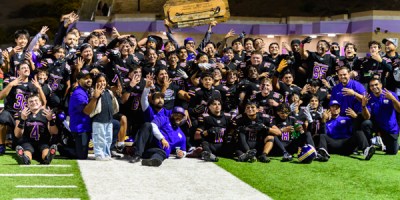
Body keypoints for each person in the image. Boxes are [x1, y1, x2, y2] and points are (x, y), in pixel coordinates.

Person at [14, 94, 58, 165]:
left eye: (36, 100)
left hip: (43, 142)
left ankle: (47, 157)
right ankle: (26, 158)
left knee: (45, 149)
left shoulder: (47, 113)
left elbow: (54, 132)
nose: (34, 102)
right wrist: (22, 120)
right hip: (27, 142)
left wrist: (51, 120)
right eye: (31, 101)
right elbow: (17, 134)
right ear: (27, 104)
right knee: (27, 150)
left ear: (40, 103)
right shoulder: (21, 114)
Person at [361, 78, 400, 154]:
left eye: (376, 84)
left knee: (392, 151)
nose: (374, 87)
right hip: (377, 127)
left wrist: (393, 99)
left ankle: (386, 143)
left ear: (381, 85)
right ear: (370, 88)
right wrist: (363, 106)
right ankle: (369, 145)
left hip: (390, 128)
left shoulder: (390, 94)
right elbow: (367, 117)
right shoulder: (369, 98)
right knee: (366, 123)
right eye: (372, 86)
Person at [89, 73, 119, 161]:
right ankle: (99, 154)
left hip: (108, 119)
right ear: (95, 83)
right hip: (99, 119)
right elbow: (92, 100)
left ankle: (106, 153)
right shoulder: (94, 91)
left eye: (104, 81)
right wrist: (96, 94)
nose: (102, 83)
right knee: (99, 137)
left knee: (108, 138)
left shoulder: (108, 92)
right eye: (99, 81)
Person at [68, 70, 96, 159]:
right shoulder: (78, 93)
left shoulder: (86, 91)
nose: (89, 80)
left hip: (86, 126)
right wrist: (95, 98)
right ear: (79, 80)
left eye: (90, 78)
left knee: (115, 124)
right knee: (82, 156)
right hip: (80, 128)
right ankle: (62, 147)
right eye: (86, 78)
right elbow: (86, 111)